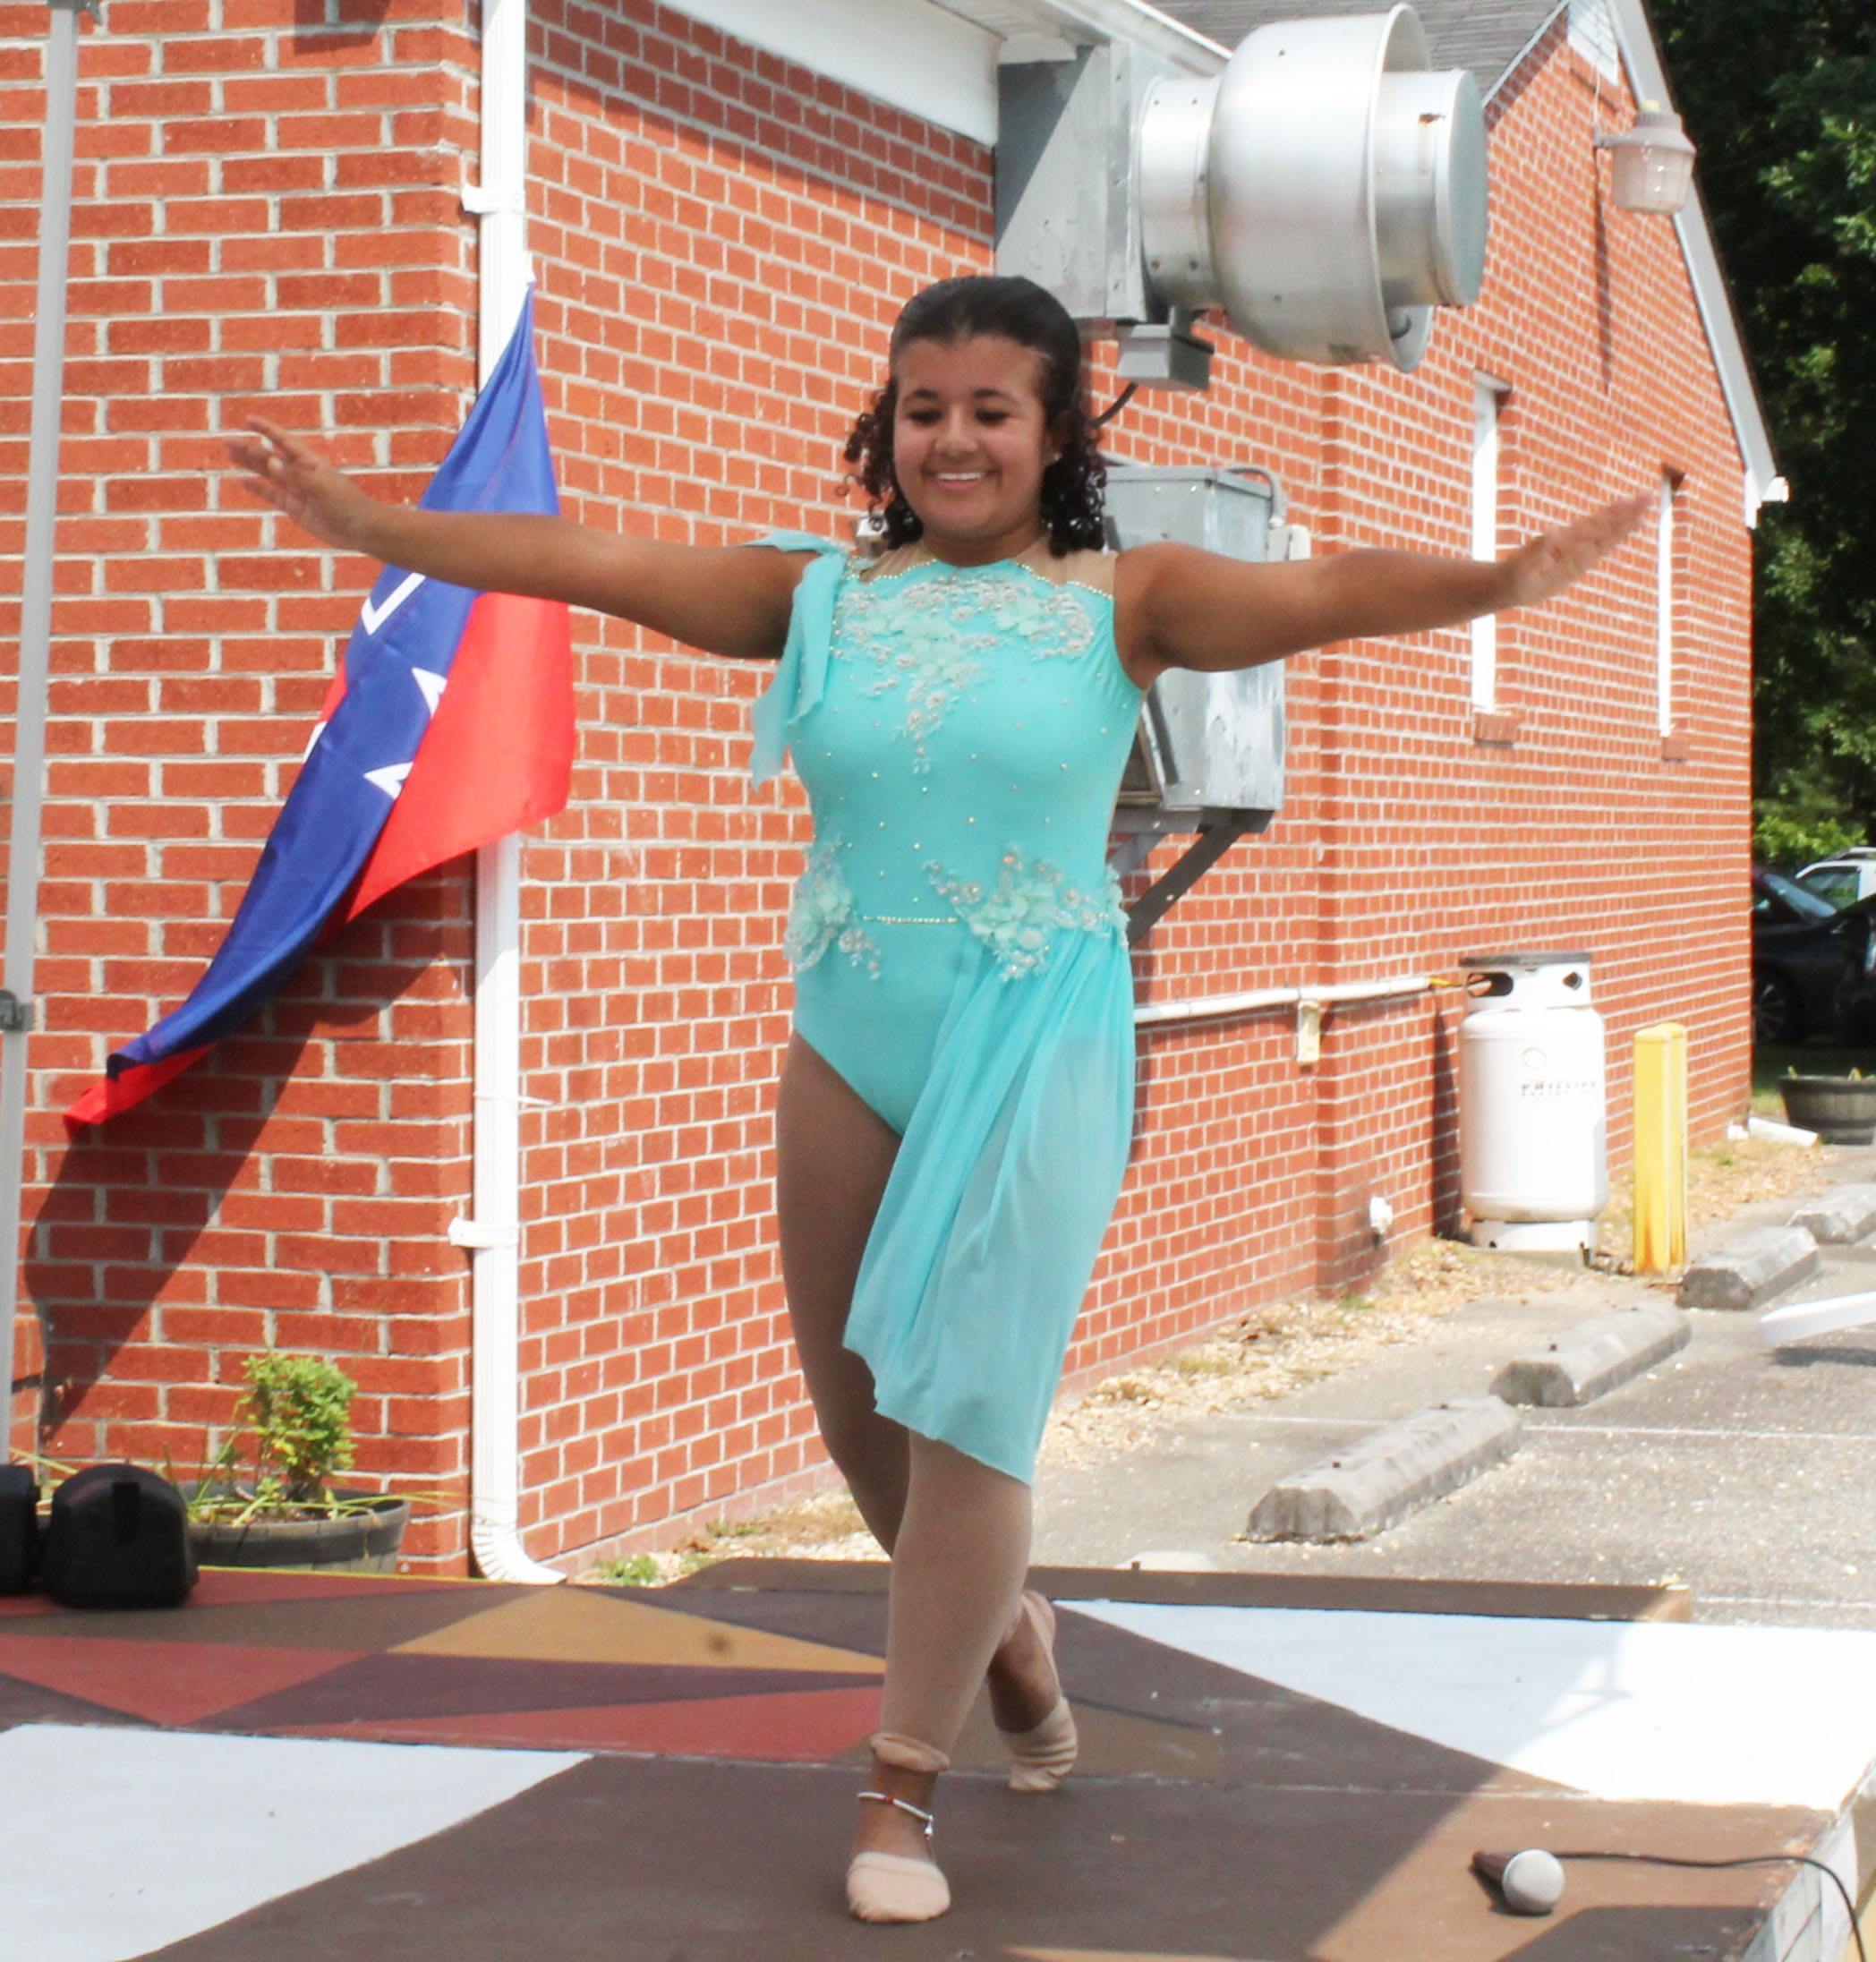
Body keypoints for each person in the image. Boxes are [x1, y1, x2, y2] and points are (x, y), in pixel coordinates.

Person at [227, 275, 1647, 1924]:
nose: (953, 439)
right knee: (862, 1424)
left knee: (967, 1406)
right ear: (885, 425)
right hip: (848, 1030)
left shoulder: (1131, 598)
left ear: (1056, 434)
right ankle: (1011, 1635)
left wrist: (1505, 577)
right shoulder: (817, 595)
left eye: (991, 410)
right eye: (923, 408)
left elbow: (1322, 589)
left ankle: (900, 1790)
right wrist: (366, 519)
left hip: (1034, 1033)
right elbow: (580, 562)